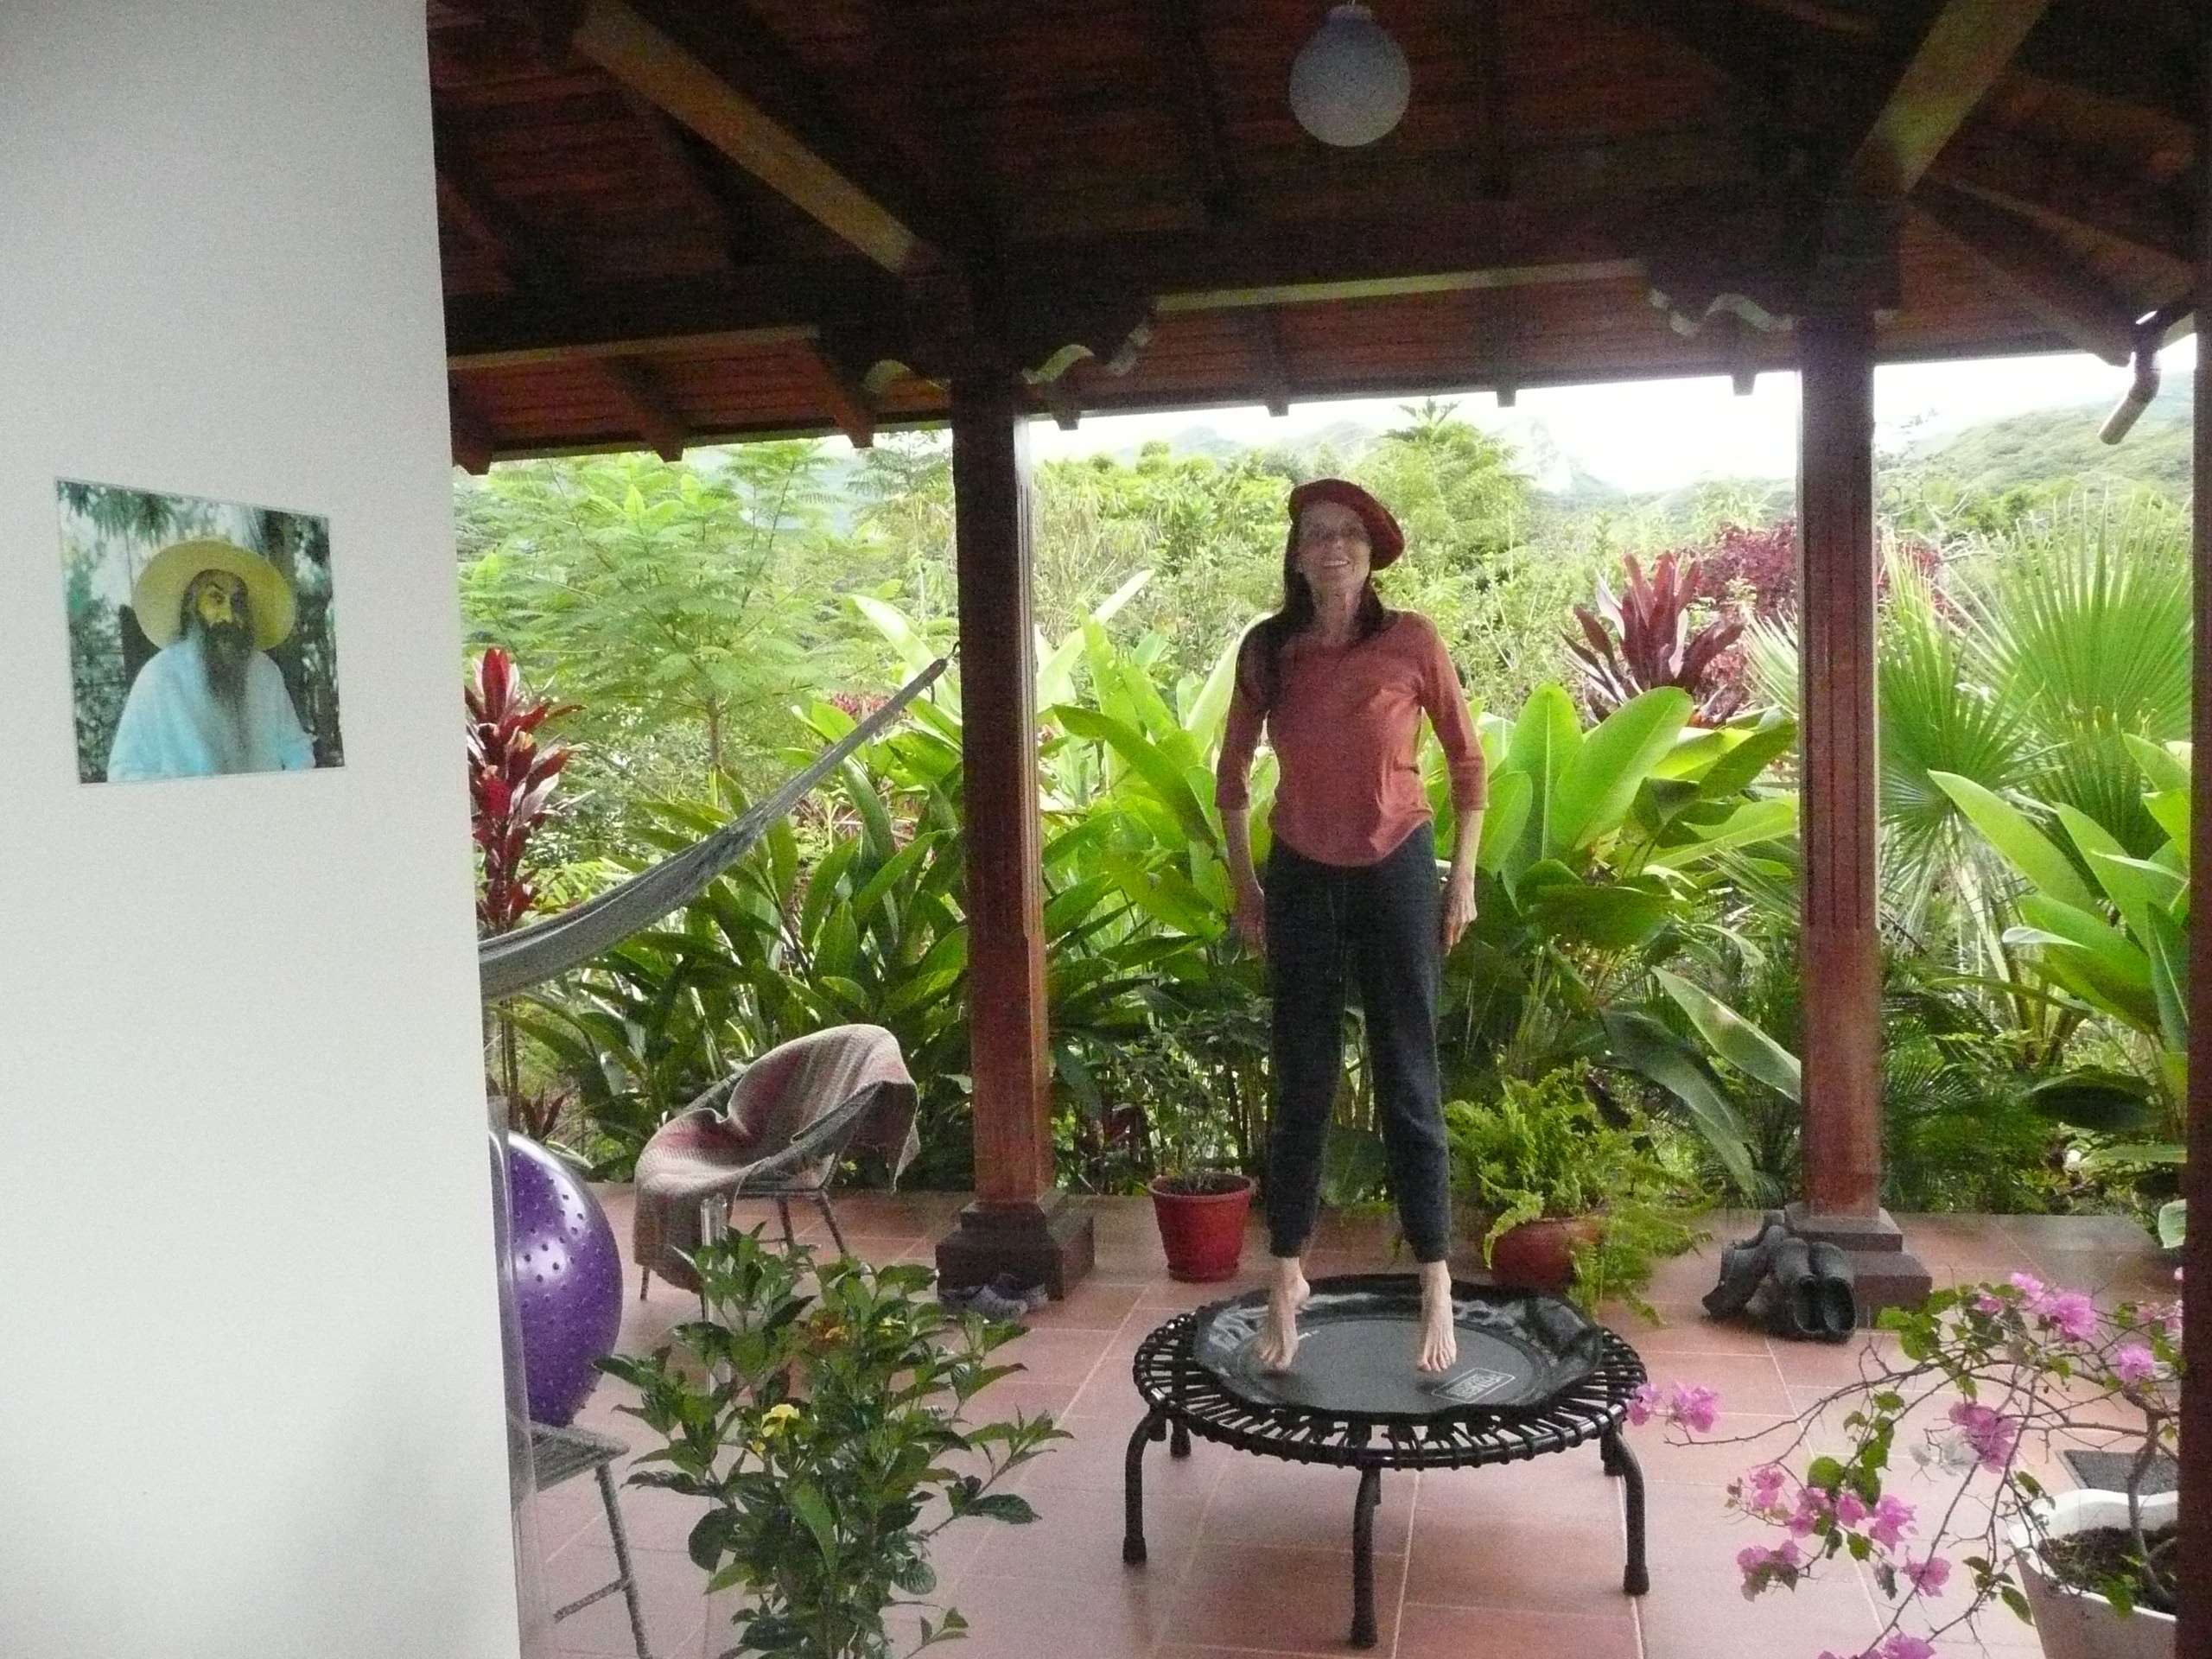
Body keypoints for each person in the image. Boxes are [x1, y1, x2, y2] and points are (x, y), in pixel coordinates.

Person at [1214, 479, 1486, 1376]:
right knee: (1303, 1081)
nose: (1333, 547)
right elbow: (1230, 781)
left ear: (1371, 557)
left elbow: (1467, 763)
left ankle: (1435, 1279)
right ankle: (1286, 1271)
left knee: (1410, 1079)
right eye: (1317, 534)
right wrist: (1246, 889)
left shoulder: (1410, 641)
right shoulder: (1270, 651)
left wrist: (1462, 884)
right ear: (1295, 554)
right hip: (1299, 876)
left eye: (1350, 536)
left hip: (1398, 870)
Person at [106, 537, 316, 782]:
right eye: (216, 599)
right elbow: (124, 772)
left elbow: (298, 751)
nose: (228, 615)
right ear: (190, 606)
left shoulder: (265, 672)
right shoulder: (158, 677)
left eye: (237, 603)